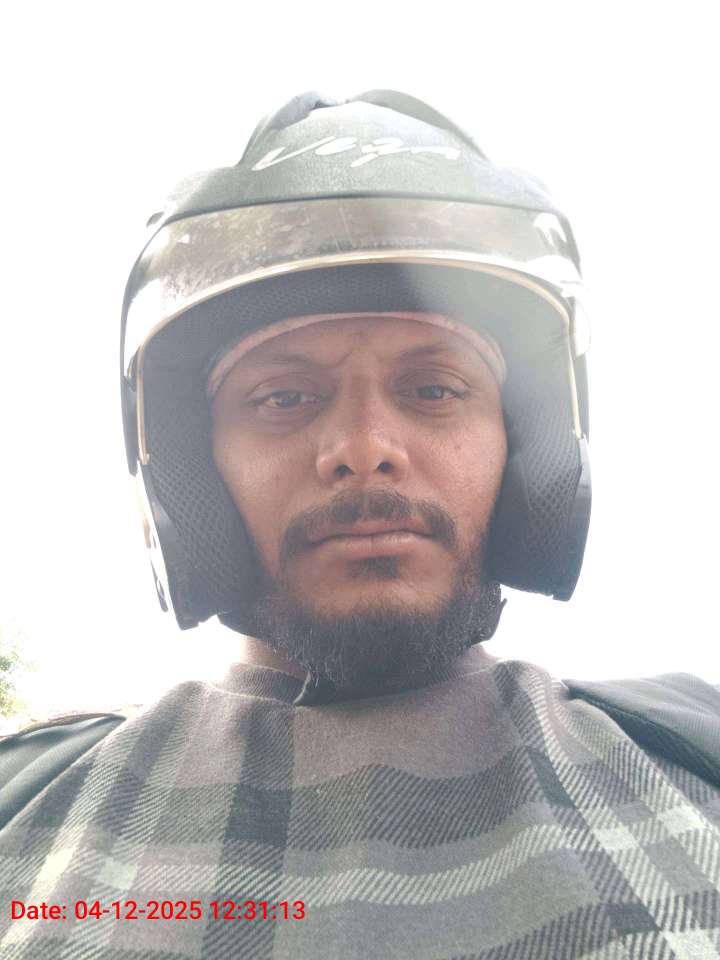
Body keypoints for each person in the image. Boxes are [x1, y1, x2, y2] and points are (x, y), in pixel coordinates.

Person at [1, 90, 718, 959]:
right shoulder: (24, 798)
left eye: (434, 389)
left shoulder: (693, 748)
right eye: (283, 397)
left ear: (524, 449)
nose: (365, 449)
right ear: (190, 468)